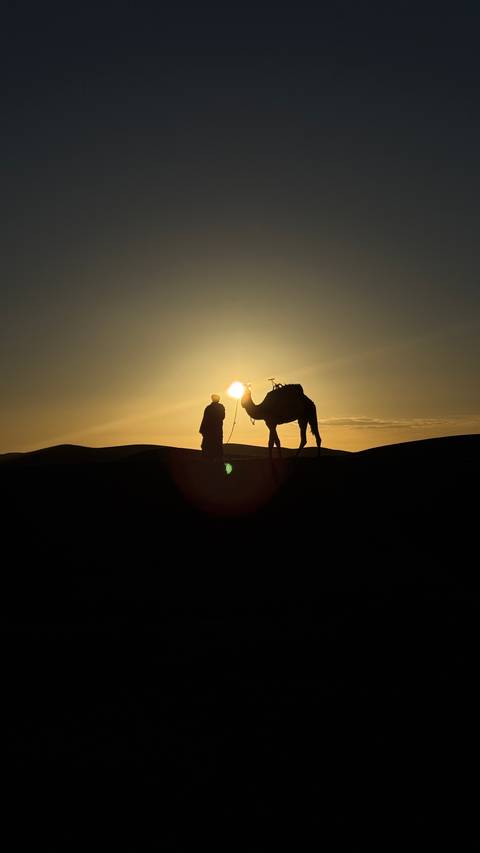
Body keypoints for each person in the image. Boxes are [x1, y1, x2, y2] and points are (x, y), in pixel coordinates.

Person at [199, 394, 225, 460]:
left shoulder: (208, 408)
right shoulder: (220, 407)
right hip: (215, 431)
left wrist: (203, 430)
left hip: (209, 431)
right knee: (216, 447)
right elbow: (222, 417)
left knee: (208, 447)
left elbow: (205, 419)